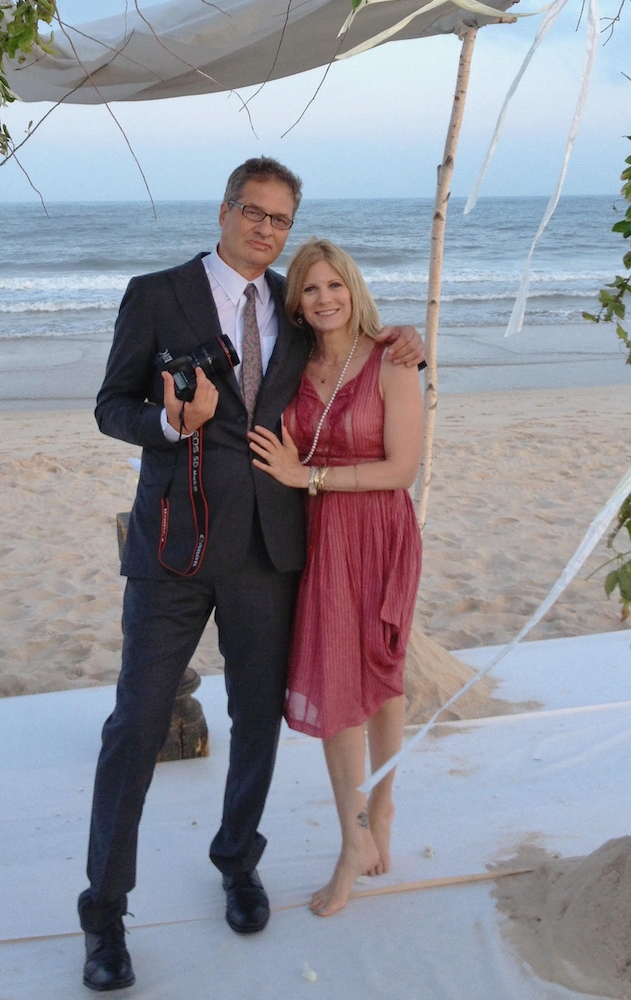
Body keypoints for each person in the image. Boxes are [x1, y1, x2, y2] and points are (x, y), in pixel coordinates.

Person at [81, 158, 424, 992]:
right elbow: (110, 406)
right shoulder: (156, 295)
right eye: (254, 213)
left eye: (280, 219)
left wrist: (404, 341)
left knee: (258, 722)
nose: (266, 230)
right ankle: (105, 916)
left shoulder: (292, 305)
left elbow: (350, 343)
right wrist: (167, 420)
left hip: (274, 550)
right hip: (173, 550)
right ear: (226, 209)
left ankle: (238, 861)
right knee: (136, 725)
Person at [248, 237, 424, 918]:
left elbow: (401, 470)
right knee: (336, 678)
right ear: (296, 303)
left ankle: (381, 812)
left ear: (353, 288)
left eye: (334, 286)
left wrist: (306, 476)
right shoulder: (292, 364)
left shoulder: (391, 359)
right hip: (319, 538)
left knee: (381, 676)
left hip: (378, 531)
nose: (324, 299)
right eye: (310, 290)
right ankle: (353, 840)